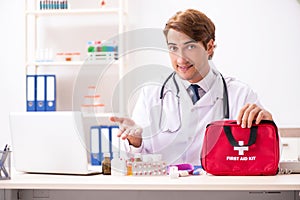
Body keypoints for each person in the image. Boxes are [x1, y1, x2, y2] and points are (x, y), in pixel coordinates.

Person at [110, 9, 273, 165]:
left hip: (218, 192)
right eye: (173, 48)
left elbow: (269, 156)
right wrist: (135, 141)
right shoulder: (151, 93)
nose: (181, 59)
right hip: (165, 192)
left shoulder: (239, 94)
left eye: (190, 47)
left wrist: (267, 125)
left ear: (209, 47)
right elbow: (135, 161)